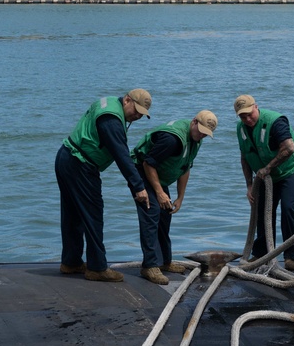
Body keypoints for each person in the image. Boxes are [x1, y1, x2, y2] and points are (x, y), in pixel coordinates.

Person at [56, 89, 152, 282]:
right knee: (93, 215)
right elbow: (121, 155)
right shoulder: (112, 120)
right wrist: (139, 186)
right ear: (127, 100)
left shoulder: (109, 103)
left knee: (73, 214)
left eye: (142, 114)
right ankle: (97, 268)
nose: (138, 115)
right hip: (80, 164)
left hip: (66, 156)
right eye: (137, 110)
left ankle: (71, 262)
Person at [131, 110, 218, 284]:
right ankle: (149, 266)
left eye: (205, 134)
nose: (201, 135)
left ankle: (164, 262)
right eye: (199, 130)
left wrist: (180, 197)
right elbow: (148, 163)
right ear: (193, 121)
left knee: (165, 213)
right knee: (152, 212)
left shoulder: (196, 140)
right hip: (142, 170)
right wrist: (159, 192)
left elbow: (185, 168)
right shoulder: (172, 140)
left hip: (158, 175)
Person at [234, 94, 294, 269]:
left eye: (249, 114)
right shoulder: (241, 128)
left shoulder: (275, 122)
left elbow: (289, 148)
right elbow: (245, 156)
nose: (247, 119)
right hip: (265, 177)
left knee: (288, 208)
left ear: (256, 107)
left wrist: (268, 168)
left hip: (292, 170)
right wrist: (249, 185)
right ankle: (263, 254)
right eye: (242, 116)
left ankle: (290, 256)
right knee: (262, 210)